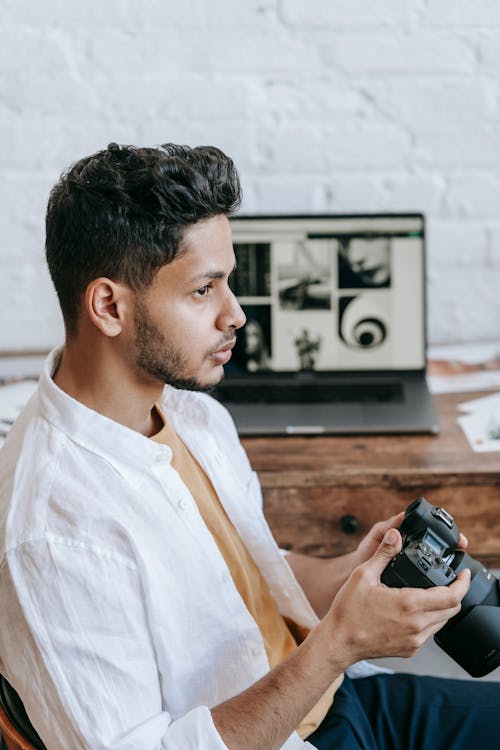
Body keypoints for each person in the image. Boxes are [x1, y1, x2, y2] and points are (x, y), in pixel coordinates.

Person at [0, 143, 497, 750]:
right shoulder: (55, 532)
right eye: (204, 290)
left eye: (227, 282)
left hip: (336, 700)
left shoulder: (191, 414)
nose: (235, 314)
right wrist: (340, 642)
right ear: (109, 306)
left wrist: (351, 576)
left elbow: (239, 578)